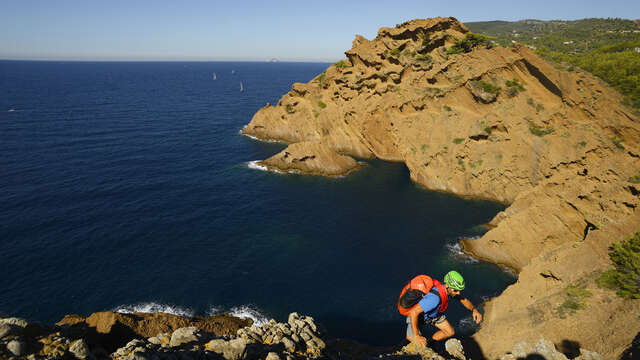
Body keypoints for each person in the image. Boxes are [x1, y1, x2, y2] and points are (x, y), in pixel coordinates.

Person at [398, 271, 482, 347]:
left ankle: (430, 343)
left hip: (432, 314)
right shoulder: (434, 298)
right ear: (448, 286)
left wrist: (474, 310)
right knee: (418, 344)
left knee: (450, 332)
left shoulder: (447, 290)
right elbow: (414, 312)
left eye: (459, 290)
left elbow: (463, 300)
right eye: (456, 290)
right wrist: (416, 336)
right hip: (419, 316)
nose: (458, 293)